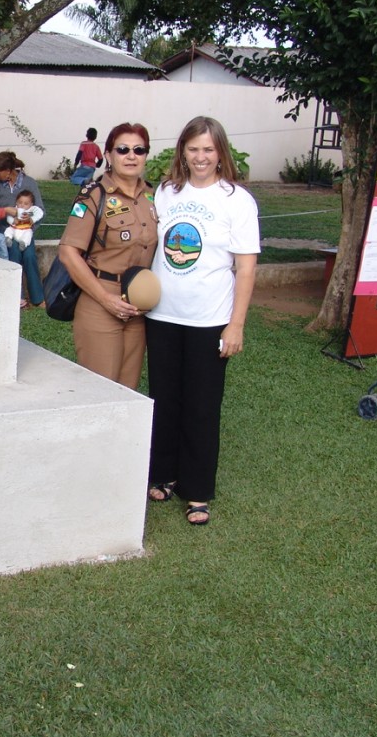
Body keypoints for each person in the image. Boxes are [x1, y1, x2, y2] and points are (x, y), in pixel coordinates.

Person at [145, 116, 260, 526]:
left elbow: (245, 269)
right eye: (193, 149)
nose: (200, 157)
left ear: (220, 153)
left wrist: (236, 324)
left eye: (208, 150)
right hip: (162, 315)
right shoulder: (166, 193)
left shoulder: (237, 201)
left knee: (202, 406)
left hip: (210, 319)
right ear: (183, 151)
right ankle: (164, 473)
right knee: (165, 399)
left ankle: (197, 490)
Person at [57, 122, 158, 388]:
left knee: (128, 391)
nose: (131, 156)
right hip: (100, 302)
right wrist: (105, 299)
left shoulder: (152, 196)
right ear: (109, 155)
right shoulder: (94, 195)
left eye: (139, 149)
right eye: (123, 149)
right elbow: (68, 252)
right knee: (101, 392)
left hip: (138, 309)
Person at [0, 151, 45, 307]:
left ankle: (38, 298)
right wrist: (6, 213)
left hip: (25, 230)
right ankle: (16, 298)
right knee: (13, 253)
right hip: (4, 230)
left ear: (8, 171)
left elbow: (40, 209)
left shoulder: (30, 183)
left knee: (29, 256)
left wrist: (30, 225)